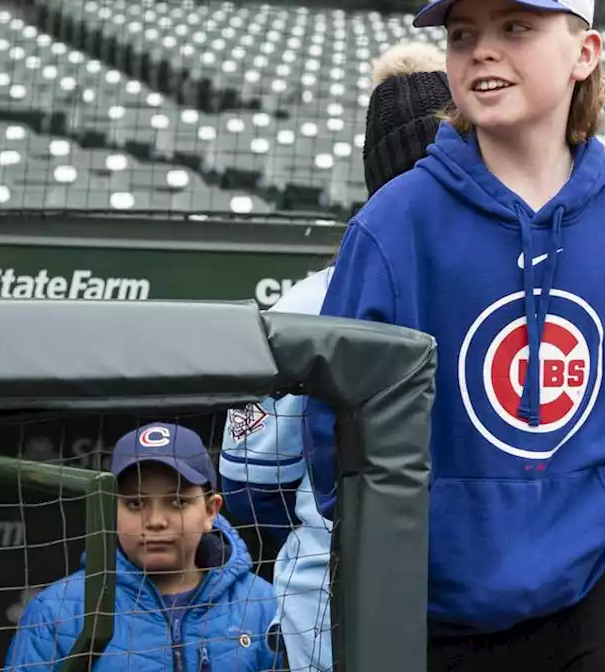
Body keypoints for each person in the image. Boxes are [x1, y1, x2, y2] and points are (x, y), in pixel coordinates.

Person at [303, 0, 605, 670]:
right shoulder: (393, 223)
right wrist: (410, 539)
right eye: (463, 34)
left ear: (585, 53)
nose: (483, 50)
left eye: (516, 27)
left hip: (594, 571)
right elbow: (334, 426)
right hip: (426, 594)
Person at [218, 40, 454, 672]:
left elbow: (255, 491)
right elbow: (247, 491)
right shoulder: (311, 300)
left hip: (374, 611)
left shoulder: (311, 298)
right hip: (339, 621)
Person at [5, 423, 278, 671]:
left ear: (210, 511)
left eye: (177, 502)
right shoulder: (56, 611)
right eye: (135, 504)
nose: (156, 521)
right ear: (110, 510)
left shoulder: (265, 605)